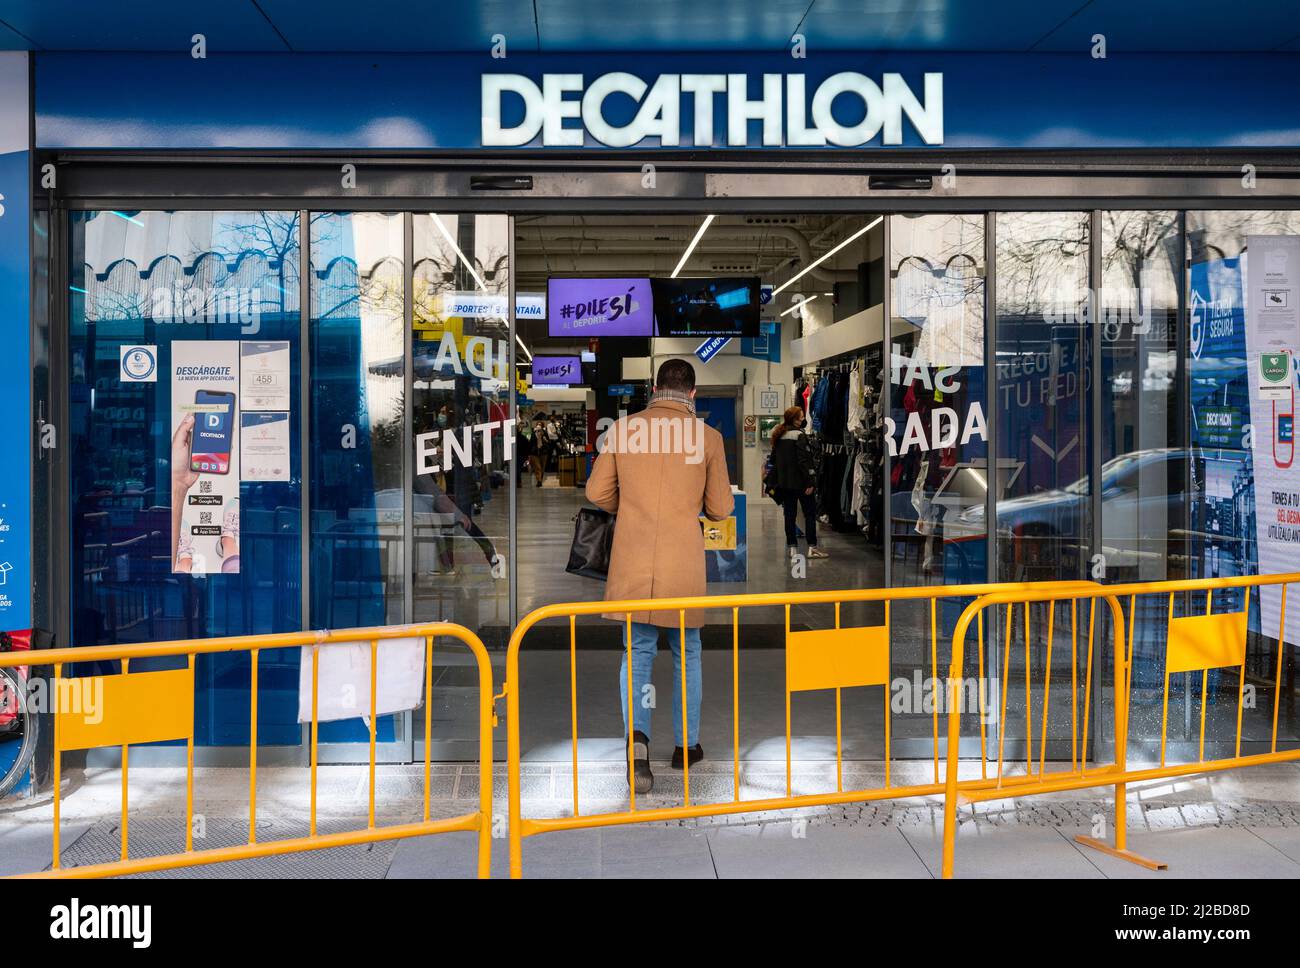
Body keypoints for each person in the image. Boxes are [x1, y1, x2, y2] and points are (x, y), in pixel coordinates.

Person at [586, 359, 733, 793]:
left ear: (654, 388)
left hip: (631, 560)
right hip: (682, 565)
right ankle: (686, 747)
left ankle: (638, 748)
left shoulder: (624, 429)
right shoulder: (708, 438)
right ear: (692, 394)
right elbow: (721, 509)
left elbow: (596, 492)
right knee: (688, 652)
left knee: (638, 653)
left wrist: (631, 509)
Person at [771, 405, 828, 560]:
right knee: (809, 514)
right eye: (801, 416)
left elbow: (773, 460)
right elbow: (804, 461)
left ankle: (792, 549)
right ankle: (812, 547)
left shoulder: (779, 435)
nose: (803, 419)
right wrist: (811, 482)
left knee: (789, 516)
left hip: (785, 484)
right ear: (795, 419)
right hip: (802, 484)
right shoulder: (799, 436)